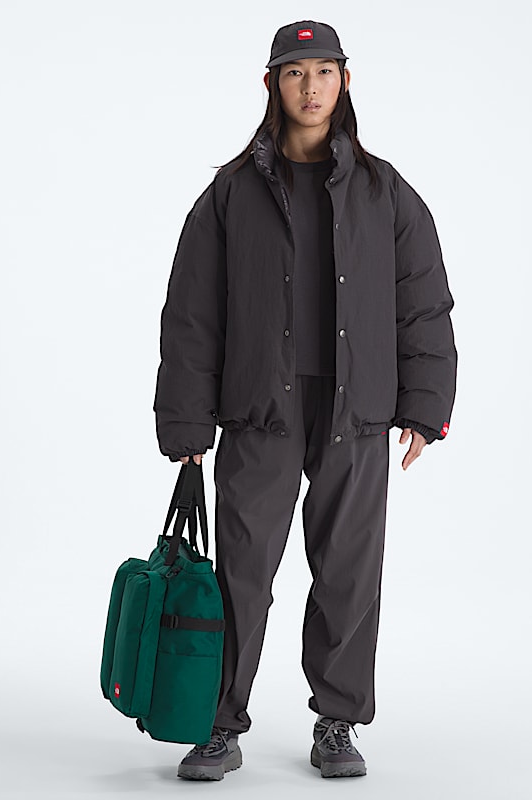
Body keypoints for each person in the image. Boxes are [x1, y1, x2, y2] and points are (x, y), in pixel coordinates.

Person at [153, 19, 458, 781]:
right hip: (261, 406)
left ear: (345, 81)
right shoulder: (230, 193)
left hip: (357, 409)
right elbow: (192, 313)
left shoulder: (385, 191)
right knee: (242, 573)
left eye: (324, 71)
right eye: (295, 72)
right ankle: (217, 723)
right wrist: (187, 424)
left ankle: (337, 721)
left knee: (349, 572)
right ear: (272, 84)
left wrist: (425, 407)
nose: (311, 87)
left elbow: (422, 302)